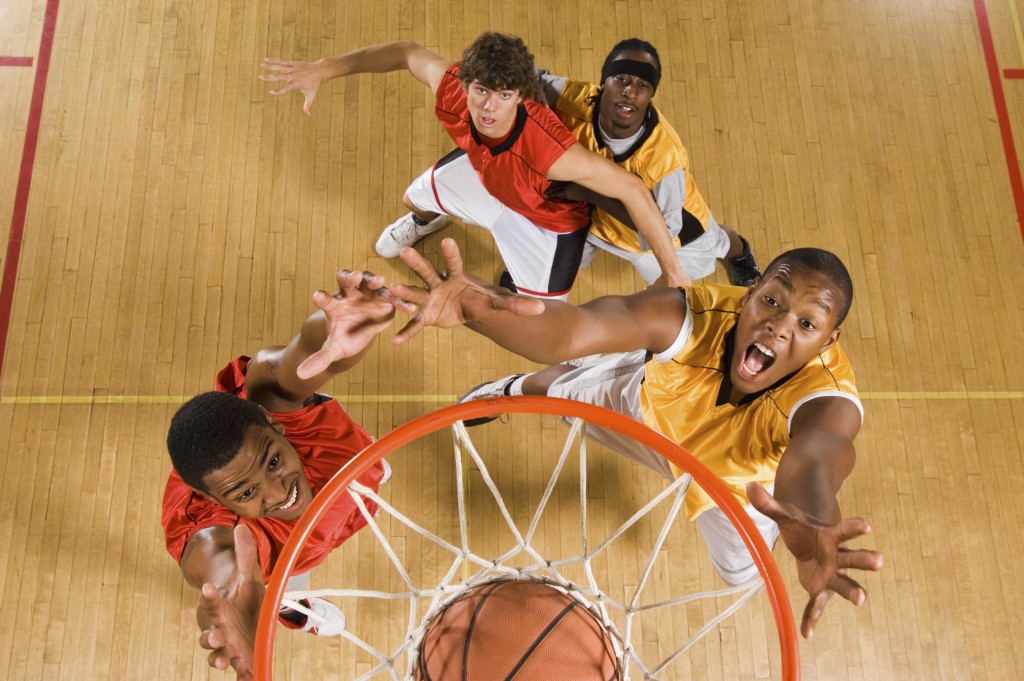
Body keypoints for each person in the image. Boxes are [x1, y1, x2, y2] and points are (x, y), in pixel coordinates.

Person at [386, 238, 883, 639]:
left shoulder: (829, 401)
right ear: (750, 293)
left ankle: (608, 368)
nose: (777, 326)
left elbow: (814, 464)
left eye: (807, 323)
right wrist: (480, 312)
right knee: (556, 393)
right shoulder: (687, 315)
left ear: (829, 339)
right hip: (651, 417)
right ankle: (512, 388)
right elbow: (569, 330)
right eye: (772, 300)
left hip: (733, 487)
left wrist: (810, 531)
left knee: (741, 575)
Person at [259, 32, 692, 300]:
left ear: (521, 96)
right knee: (414, 198)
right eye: (482, 90)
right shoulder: (451, 87)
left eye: (505, 95)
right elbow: (408, 53)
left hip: (544, 221)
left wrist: (672, 272)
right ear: (465, 82)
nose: (489, 107)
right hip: (488, 177)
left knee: (538, 312)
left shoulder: (550, 149)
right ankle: (427, 222)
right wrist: (329, 67)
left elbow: (633, 190)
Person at [161, 270, 409, 679]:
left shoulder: (273, 406)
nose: (279, 491)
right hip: (284, 560)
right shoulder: (216, 537)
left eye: (273, 461)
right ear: (214, 502)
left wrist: (331, 329)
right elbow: (219, 568)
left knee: (363, 476)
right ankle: (290, 609)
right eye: (245, 493)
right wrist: (229, 602)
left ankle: (366, 477)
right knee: (275, 586)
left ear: (275, 426)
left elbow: (300, 357)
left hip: (345, 480)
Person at [538, 38, 761, 287]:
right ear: (604, 82)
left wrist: (588, 192)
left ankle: (740, 254)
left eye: (642, 85)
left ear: (651, 95)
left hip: (674, 235)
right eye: (621, 79)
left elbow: (662, 231)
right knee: (550, 248)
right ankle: (527, 276)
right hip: (594, 217)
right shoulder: (576, 98)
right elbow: (528, 75)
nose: (630, 92)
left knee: (721, 242)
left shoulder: (665, 160)